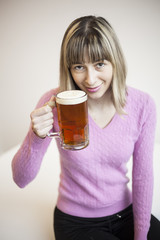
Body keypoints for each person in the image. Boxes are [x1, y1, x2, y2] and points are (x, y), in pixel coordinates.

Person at [12, 15, 160, 240]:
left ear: (115, 62)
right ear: (69, 68)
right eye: (79, 66)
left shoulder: (143, 104)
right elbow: (20, 179)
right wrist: (36, 136)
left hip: (126, 214)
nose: (90, 79)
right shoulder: (54, 102)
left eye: (100, 64)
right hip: (76, 224)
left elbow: (143, 176)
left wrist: (140, 235)